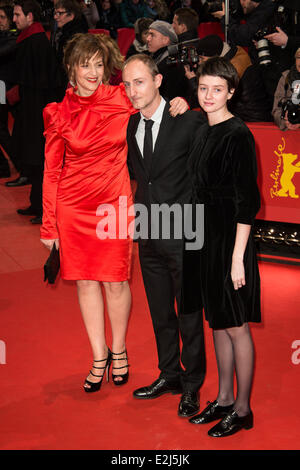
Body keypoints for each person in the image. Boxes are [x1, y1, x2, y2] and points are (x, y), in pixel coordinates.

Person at [40, 33, 188, 393]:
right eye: (85, 64)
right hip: (73, 207)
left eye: (98, 64)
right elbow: (51, 170)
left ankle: (119, 350)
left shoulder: (121, 97)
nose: (93, 72)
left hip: (114, 203)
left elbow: (153, 100)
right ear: (71, 68)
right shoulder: (57, 112)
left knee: (116, 280)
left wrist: (179, 102)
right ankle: (98, 354)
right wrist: (49, 224)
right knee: (86, 281)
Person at [123, 54, 206, 418]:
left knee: (189, 314)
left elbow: (206, 174)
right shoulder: (130, 125)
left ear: (158, 80)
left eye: (139, 82)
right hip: (148, 232)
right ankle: (169, 374)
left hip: (184, 232)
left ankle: (192, 386)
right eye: (127, 84)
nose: (132, 91)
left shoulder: (186, 120)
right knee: (160, 312)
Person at [186, 57, 261, 437]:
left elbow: (248, 201)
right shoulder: (203, 130)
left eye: (218, 89)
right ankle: (224, 397)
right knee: (217, 320)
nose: (209, 95)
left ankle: (243, 409)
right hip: (205, 239)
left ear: (231, 92)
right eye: (203, 88)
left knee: (236, 325)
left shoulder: (238, 134)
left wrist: (236, 258)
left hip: (231, 241)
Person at [8, 0, 62, 222]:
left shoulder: (36, 41)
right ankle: (35, 204)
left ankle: (43, 210)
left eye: (17, 14)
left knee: (41, 162)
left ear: (30, 17)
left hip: (38, 114)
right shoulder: (30, 39)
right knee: (35, 161)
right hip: (31, 111)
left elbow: (41, 85)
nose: (14, 19)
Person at [146, 19, 190, 100]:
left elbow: (168, 97)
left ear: (165, 40)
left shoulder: (172, 64)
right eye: (148, 34)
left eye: (152, 35)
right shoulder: (160, 57)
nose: (148, 39)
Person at [51, 0, 88, 91]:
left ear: (71, 15)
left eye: (59, 13)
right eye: (55, 13)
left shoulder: (76, 37)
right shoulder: (62, 31)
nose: (55, 17)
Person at [0, 3, 17, 179]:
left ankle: (16, 162)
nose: (0, 21)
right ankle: (4, 165)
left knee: (1, 129)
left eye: (3, 17)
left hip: (4, 87)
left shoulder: (13, 38)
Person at [272, 47, 300, 131]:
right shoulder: (286, 78)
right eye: (299, 57)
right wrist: (285, 121)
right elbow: (276, 109)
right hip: (289, 135)